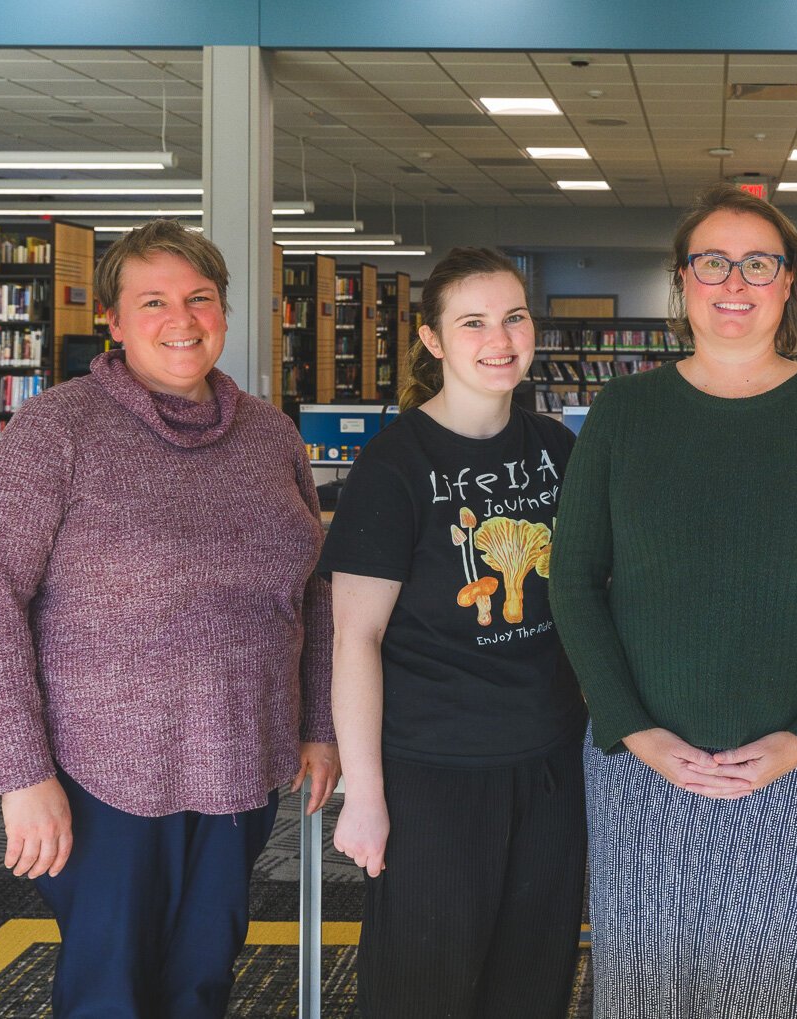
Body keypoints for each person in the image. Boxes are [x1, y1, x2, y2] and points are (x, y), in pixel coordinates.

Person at [0, 219, 339, 1017]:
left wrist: (320, 721)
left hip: (239, 756)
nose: (182, 319)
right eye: (153, 300)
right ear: (114, 321)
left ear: (224, 311)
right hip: (102, 774)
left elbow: (315, 590)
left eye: (199, 298)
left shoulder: (271, 435)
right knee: (111, 991)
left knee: (201, 979)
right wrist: (20, 771)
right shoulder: (56, 429)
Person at [549, 183, 797, 1018]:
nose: (734, 281)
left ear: (789, 284)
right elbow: (573, 582)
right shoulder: (624, 412)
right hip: (648, 765)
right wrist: (630, 727)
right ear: (683, 281)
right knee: (654, 988)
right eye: (712, 262)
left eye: (758, 263)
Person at [321, 247, 585, 1018]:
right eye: (472, 322)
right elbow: (355, 639)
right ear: (434, 341)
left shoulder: (558, 450)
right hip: (433, 769)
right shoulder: (395, 464)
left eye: (513, 316)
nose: (498, 338)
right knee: (424, 989)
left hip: (547, 763)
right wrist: (365, 795)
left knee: (532, 984)